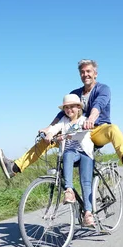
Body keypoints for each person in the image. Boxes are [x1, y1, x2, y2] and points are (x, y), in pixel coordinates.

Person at [0, 59, 123, 179]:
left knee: (113, 129)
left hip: (96, 131)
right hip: (75, 132)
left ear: (95, 74)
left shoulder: (103, 89)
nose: (85, 74)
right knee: (46, 141)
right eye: (82, 72)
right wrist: (49, 128)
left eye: (88, 71)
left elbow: (99, 104)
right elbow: (62, 115)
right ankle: (14, 167)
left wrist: (91, 119)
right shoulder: (75, 94)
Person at [43, 93, 95, 226]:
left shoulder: (83, 120)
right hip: (71, 154)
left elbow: (80, 131)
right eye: (66, 107)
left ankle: (88, 213)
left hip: (84, 152)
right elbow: (55, 128)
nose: (69, 110)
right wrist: (50, 133)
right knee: (67, 153)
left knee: (86, 182)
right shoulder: (64, 122)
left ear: (78, 108)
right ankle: (69, 190)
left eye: (72, 107)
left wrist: (66, 136)